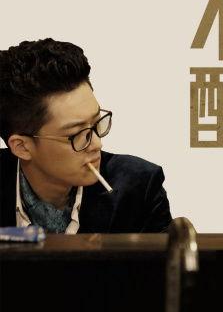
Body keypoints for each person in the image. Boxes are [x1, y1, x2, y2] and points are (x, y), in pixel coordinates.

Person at [0, 38, 172, 233]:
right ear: (21, 147)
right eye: (77, 134)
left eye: (97, 122)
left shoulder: (139, 188)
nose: (97, 144)